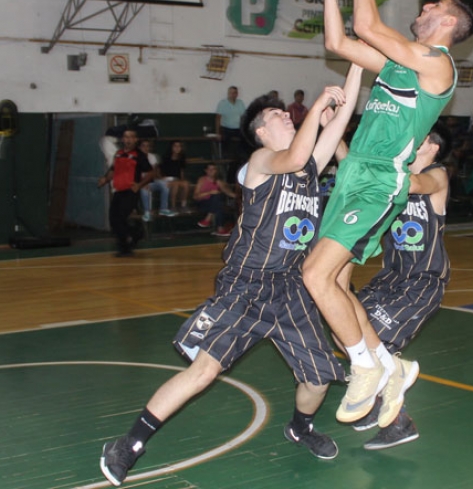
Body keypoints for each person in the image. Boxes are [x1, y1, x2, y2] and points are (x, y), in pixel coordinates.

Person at [99, 67, 362, 486]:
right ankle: (128, 444)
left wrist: (356, 61)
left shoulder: (310, 165)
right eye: (277, 114)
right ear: (261, 131)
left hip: (291, 287)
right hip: (248, 284)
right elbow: (293, 156)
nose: (286, 116)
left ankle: (301, 427)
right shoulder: (260, 162)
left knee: (318, 377)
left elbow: (339, 121)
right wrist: (317, 106)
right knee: (203, 372)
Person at [302, 0, 473, 426]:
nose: (424, 7)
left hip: (380, 180)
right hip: (353, 175)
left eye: (434, 6)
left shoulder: (438, 65)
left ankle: (364, 367)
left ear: (447, 23)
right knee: (334, 284)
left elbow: (365, 25)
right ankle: (390, 366)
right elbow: (338, 42)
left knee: (315, 275)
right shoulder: (402, 64)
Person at [352, 128, 451, 449]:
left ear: (433, 147)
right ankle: (379, 403)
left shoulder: (436, 175)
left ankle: (400, 423)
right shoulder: (396, 174)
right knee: (348, 326)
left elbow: (416, 184)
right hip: (391, 276)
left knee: (377, 341)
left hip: (423, 279)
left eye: (420, 138)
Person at [97, 130, 149, 257]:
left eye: (131, 137)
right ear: (123, 139)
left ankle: (129, 243)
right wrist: (105, 179)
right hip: (119, 191)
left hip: (131, 192)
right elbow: (113, 170)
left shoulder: (139, 155)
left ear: (135, 139)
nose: (128, 139)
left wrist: (140, 184)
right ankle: (132, 238)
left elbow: (152, 172)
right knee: (113, 220)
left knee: (120, 218)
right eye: (126, 137)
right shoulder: (119, 154)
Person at [138, 139, 177, 220]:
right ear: (139, 147)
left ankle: (163, 209)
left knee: (164, 184)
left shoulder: (151, 156)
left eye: (147, 146)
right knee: (143, 188)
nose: (146, 148)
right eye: (143, 146)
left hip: (150, 181)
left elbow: (154, 172)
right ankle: (147, 212)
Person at [193, 163, 236, 237]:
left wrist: (240, 196)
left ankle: (208, 220)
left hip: (214, 204)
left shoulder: (219, 182)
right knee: (217, 199)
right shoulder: (202, 180)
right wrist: (209, 192)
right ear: (206, 171)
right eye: (209, 169)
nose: (211, 171)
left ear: (216, 171)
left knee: (218, 202)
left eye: (213, 169)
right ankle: (219, 228)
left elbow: (229, 193)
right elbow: (195, 196)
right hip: (202, 203)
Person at [215, 85, 246, 162]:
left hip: (238, 128)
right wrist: (217, 133)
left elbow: (243, 117)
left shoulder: (240, 103)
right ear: (228, 93)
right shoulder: (222, 103)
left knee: (246, 138)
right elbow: (218, 118)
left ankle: (242, 156)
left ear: (237, 94)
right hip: (226, 128)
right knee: (225, 140)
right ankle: (225, 157)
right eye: (231, 93)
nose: (233, 94)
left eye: (234, 93)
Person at [161, 140, 191, 212]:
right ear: (171, 147)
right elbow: (160, 170)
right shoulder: (166, 157)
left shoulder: (182, 158)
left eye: (179, 146)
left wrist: (182, 179)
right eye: (175, 146)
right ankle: (173, 206)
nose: (177, 148)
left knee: (186, 184)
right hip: (167, 179)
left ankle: (183, 205)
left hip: (177, 179)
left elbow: (181, 171)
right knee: (176, 184)